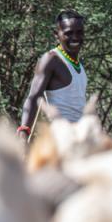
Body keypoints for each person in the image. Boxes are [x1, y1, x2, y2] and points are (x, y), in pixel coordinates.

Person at [17, 10, 87, 141]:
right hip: (61, 137)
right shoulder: (51, 60)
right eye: (68, 33)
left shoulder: (78, 64)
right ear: (57, 35)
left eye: (79, 32)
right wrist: (24, 132)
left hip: (81, 136)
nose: (75, 37)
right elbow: (33, 98)